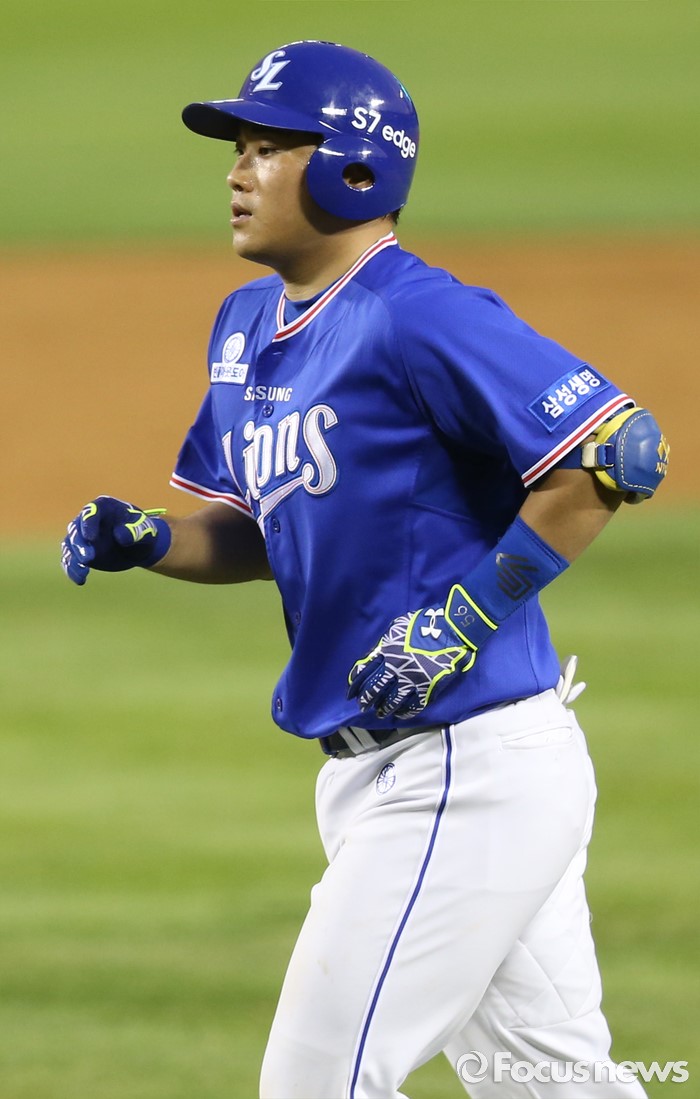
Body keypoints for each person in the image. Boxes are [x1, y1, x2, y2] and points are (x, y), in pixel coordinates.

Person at [61, 40, 669, 1099]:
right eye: (237, 149)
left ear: (354, 167)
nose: (236, 172)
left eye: (268, 148)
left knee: (317, 1083)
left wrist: (465, 618)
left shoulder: (416, 312)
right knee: (554, 1086)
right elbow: (259, 526)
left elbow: (619, 453)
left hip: (465, 769)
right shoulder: (246, 326)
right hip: (387, 774)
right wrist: (154, 539)